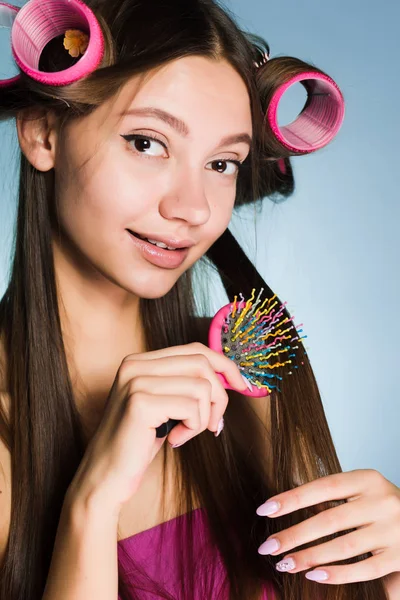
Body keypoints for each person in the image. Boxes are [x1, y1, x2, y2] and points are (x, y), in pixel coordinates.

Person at [0, 1, 397, 599]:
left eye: (221, 163)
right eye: (147, 143)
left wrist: (384, 579)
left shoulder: (245, 369)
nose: (193, 208)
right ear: (42, 132)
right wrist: (91, 504)